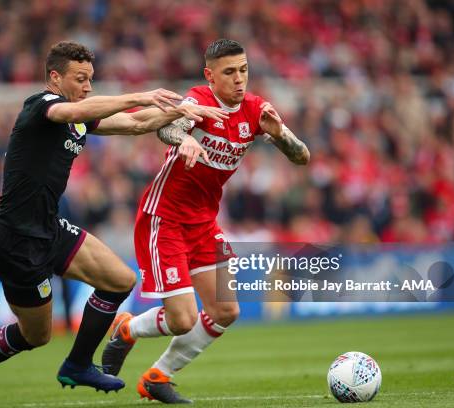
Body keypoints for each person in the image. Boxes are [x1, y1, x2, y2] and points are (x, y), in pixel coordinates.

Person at [0, 41, 228, 399]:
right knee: (35, 335)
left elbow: (136, 124)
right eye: (80, 79)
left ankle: (78, 364)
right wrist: (142, 94)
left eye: (91, 79)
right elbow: (73, 113)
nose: (87, 86)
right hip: (15, 240)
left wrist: (186, 111)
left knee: (119, 280)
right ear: (55, 78)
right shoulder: (41, 105)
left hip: (50, 228)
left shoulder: (81, 116)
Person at [102, 39, 310, 403]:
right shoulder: (198, 100)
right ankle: (127, 328)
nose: (239, 79)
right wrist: (184, 139)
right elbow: (166, 129)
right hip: (164, 218)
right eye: (229, 72)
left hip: (203, 223)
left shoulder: (256, 110)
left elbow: (302, 156)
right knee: (181, 319)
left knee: (226, 310)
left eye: (243, 70)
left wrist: (279, 135)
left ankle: (157, 376)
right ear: (210, 76)